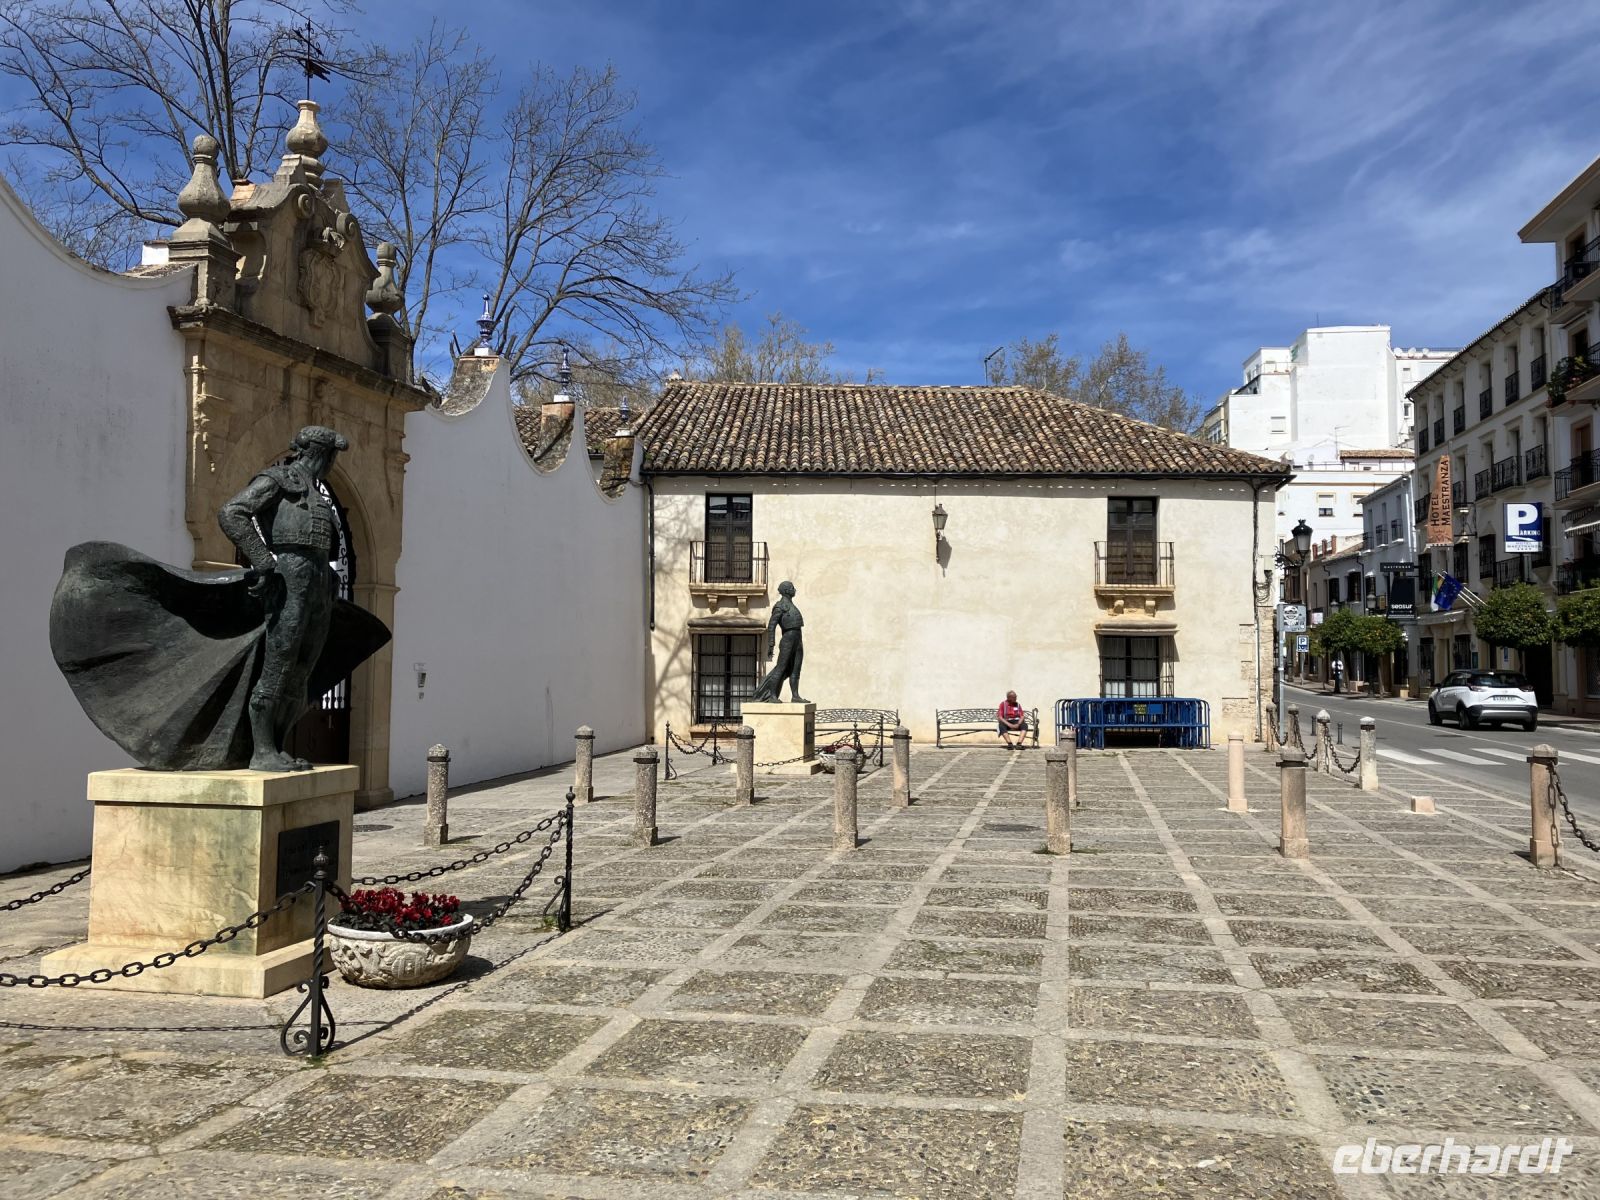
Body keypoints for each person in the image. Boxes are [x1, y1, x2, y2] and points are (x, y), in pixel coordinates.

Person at [752, 580, 808, 703]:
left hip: (798, 638)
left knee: (796, 668)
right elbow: (772, 625)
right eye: (792, 588)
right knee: (781, 668)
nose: (794, 590)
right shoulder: (780, 606)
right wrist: (771, 644)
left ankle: (795, 695)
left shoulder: (792, 606)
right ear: (787, 590)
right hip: (788, 638)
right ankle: (772, 696)